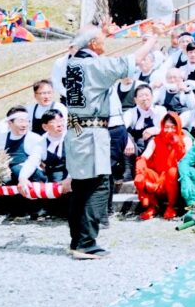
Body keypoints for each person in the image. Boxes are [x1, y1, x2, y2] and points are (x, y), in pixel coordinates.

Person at [58, 24, 160, 259]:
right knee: (99, 184)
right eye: (102, 39)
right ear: (93, 44)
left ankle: (77, 240)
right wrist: (151, 42)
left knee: (81, 186)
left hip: (75, 129)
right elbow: (129, 62)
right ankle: (86, 242)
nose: (105, 42)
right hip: (92, 132)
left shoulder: (71, 64)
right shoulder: (94, 65)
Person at [133, 112, 187, 220]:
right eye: (166, 127)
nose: (169, 130)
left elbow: (186, 161)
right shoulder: (155, 140)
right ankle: (152, 206)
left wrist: (178, 146)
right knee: (143, 168)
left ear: (178, 127)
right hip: (157, 175)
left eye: (173, 127)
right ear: (162, 127)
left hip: (175, 178)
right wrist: (140, 169)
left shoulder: (185, 140)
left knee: (172, 171)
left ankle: (171, 206)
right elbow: (145, 156)